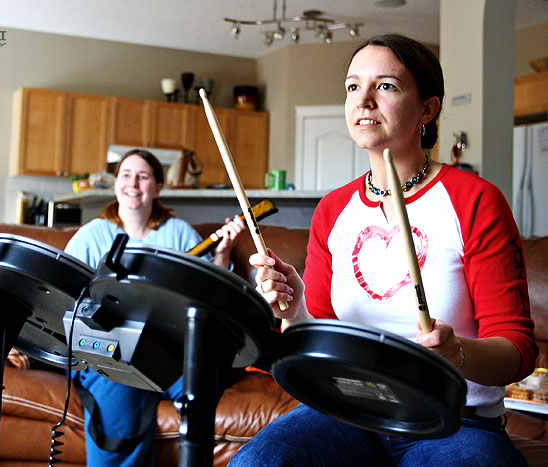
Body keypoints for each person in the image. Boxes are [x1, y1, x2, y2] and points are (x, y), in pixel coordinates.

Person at [230, 34, 537, 466]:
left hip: (455, 420)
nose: (364, 100)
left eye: (386, 86)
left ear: (427, 109)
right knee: (257, 462)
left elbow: (518, 351)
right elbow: (320, 343)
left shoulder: (475, 200)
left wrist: (457, 353)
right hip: (348, 409)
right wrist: (294, 310)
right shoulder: (332, 209)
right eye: (353, 86)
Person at [64, 148, 246, 466]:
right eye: (126, 175)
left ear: (158, 187)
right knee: (119, 403)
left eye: (143, 176)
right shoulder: (91, 236)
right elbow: (68, 298)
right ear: (115, 183)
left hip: (171, 351)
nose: (133, 184)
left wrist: (223, 254)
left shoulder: (178, 233)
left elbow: (208, 296)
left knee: (203, 381)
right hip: (111, 351)